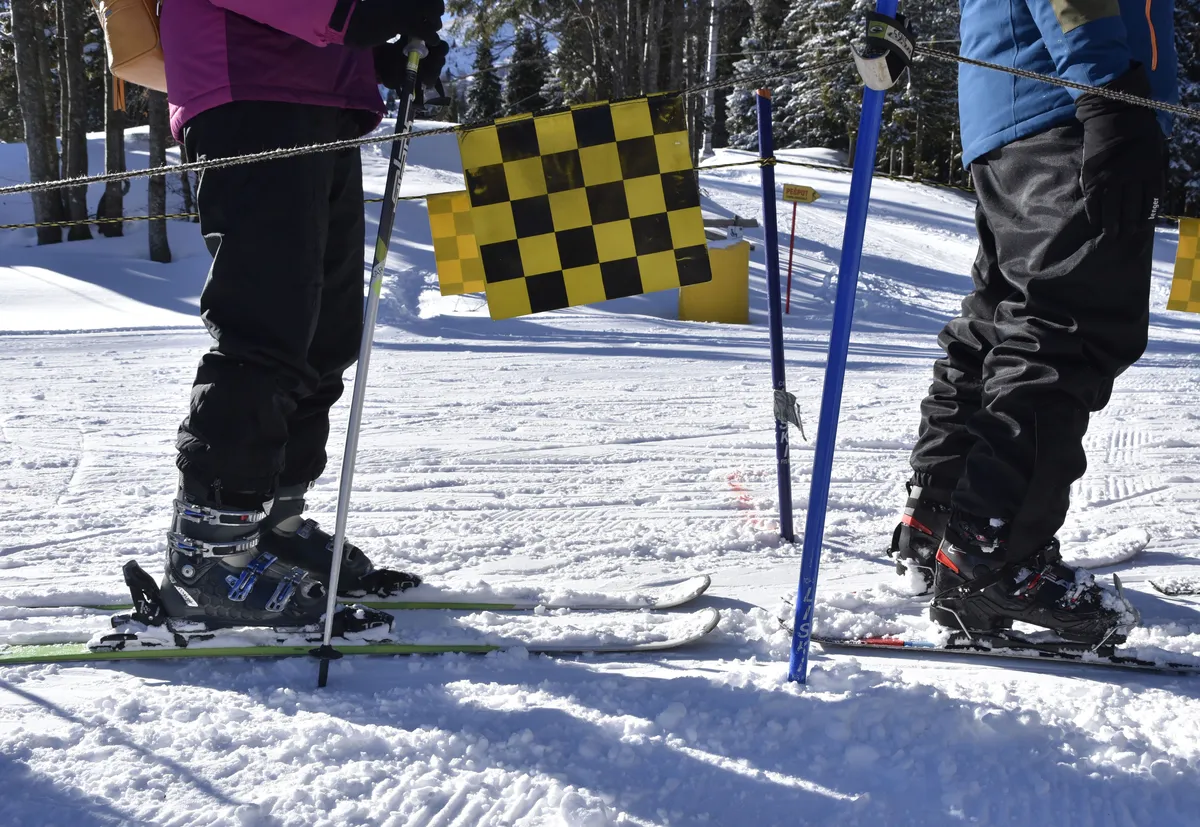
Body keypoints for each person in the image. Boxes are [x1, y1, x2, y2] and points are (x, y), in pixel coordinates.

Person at [889, 0, 1178, 647]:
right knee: (1068, 326)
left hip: (1013, 107)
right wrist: (1109, 90)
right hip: (1068, 102)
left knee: (1002, 324)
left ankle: (943, 517)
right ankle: (993, 559)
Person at [152, 0, 448, 628]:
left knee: (322, 333)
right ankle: (211, 555)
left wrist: (376, 52)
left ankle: (273, 524)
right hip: (246, 92)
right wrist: (350, 15)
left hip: (321, 94)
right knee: (266, 325)